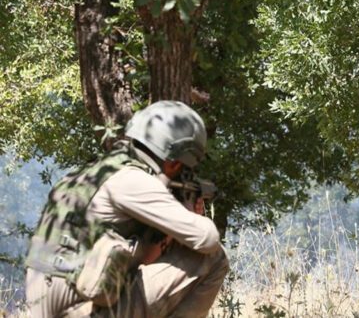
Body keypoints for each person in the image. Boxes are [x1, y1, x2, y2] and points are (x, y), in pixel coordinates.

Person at [25, 101, 229, 317]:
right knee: (214, 258)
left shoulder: (89, 173)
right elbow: (208, 239)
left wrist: (168, 233)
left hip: (46, 305)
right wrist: (188, 216)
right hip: (78, 310)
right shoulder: (134, 180)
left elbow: (141, 260)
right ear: (174, 164)